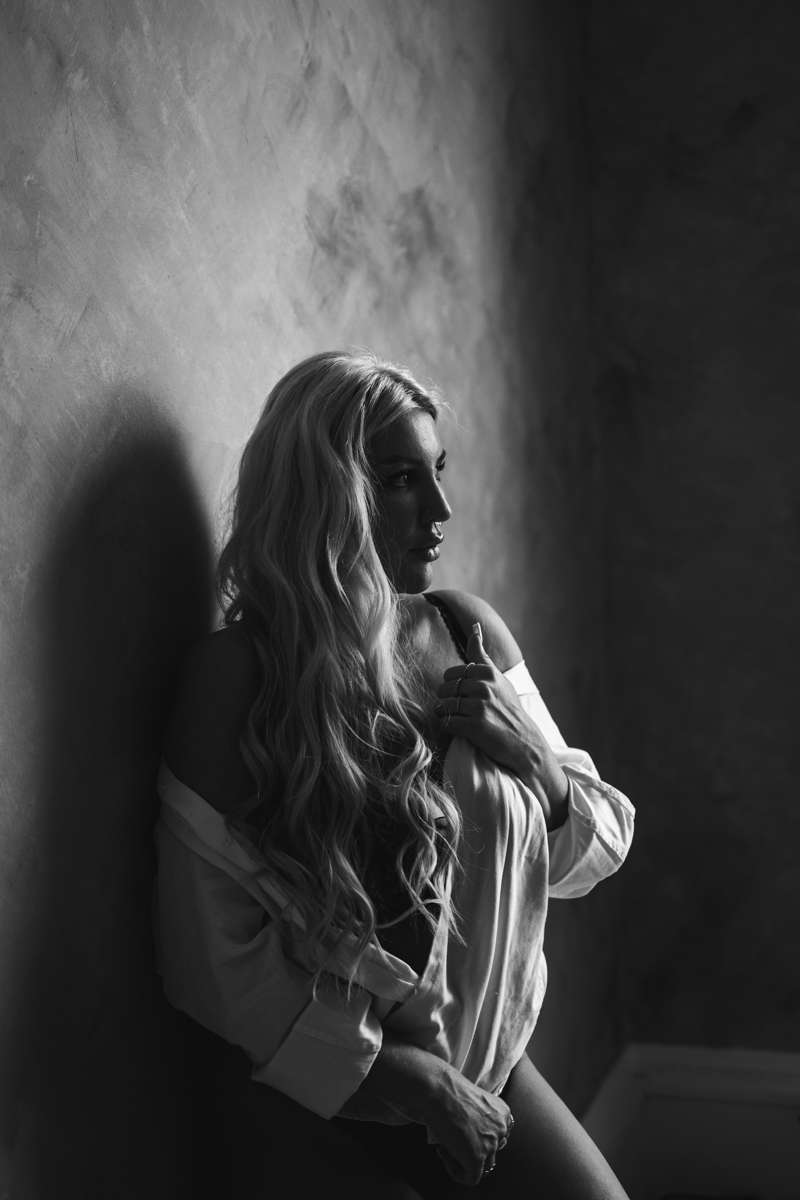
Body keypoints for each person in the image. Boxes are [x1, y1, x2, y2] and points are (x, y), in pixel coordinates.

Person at [154, 351, 634, 1198]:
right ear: (327, 492)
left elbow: (591, 853)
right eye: (404, 479)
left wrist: (533, 761)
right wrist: (408, 1080)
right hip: (319, 1097)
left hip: (489, 1071)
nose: (442, 509)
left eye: (437, 472)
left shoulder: (467, 634)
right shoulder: (235, 678)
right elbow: (206, 950)